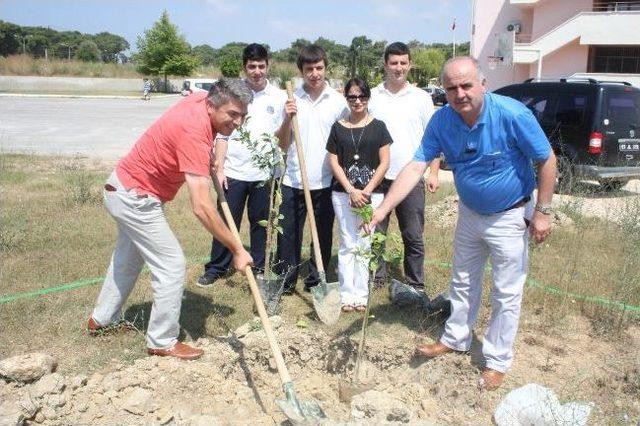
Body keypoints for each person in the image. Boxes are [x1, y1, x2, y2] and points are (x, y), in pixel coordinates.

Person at [367, 57, 557, 389]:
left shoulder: (512, 115)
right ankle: (456, 338)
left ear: (482, 84)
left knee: (506, 292)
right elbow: (416, 166)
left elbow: (546, 158)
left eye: (466, 85)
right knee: (463, 281)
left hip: (511, 215)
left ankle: (497, 360)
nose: (460, 93)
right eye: (452, 87)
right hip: (469, 213)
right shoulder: (442, 121)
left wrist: (543, 211)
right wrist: (382, 210)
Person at [88, 79, 254, 360]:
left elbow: (201, 107)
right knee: (171, 264)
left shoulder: (201, 99)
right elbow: (202, 207)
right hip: (136, 198)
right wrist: (237, 249)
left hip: (123, 188)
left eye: (242, 115)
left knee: (128, 259)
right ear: (212, 106)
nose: (238, 122)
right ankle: (162, 341)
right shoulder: (194, 134)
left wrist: (211, 152)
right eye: (232, 115)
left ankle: (101, 320)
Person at [197, 43, 287, 287]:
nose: (256, 71)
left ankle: (257, 267)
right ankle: (217, 267)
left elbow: (283, 136)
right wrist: (220, 167)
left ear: (268, 66)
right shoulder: (233, 94)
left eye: (261, 66)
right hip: (234, 172)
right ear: (244, 67)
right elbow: (223, 134)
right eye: (251, 66)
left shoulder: (279, 97)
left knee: (261, 224)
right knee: (226, 221)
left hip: (264, 173)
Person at [275, 44, 349, 294]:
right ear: (301, 71)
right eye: (309, 69)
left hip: (326, 181)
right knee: (288, 236)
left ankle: (316, 279)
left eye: (319, 68)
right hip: (294, 180)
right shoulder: (290, 99)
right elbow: (282, 143)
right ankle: (286, 280)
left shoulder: (339, 103)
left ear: (325, 68)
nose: (315, 73)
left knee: (323, 234)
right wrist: (287, 118)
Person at [367, 42, 439, 294]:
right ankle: (376, 278)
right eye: (394, 63)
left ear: (409, 65)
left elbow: (433, 137)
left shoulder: (421, 98)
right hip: (378, 178)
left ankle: (415, 283)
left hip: (411, 177)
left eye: (403, 63)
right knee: (376, 233)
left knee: (413, 234)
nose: (398, 68)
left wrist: (434, 172)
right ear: (385, 64)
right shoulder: (372, 96)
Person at [327, 77, 392, 312]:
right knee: (346, 242)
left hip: (372, 195)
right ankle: (346, 295)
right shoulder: (338, 127)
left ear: (368, 98)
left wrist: (366, 190)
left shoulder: (379, 127)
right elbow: (333, 161)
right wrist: (351, 189)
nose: (357, 101)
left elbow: (385, 162)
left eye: (362, 96)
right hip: (343, 194)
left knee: (364, 242)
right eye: (352, 97)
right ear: (346, 98)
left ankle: (361, 295)